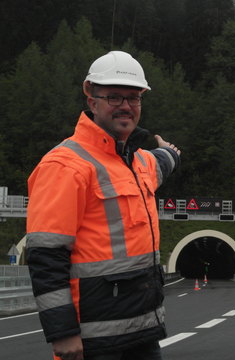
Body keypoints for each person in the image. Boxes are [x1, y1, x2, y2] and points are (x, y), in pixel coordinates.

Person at [26, 50, 181, 360]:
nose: (125, 106)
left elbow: (161, 163)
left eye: (133, 98)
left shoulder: (137, 161)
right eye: (114, 97)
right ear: (91, 100)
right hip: (94, 340)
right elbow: (46, 256)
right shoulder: (65, 165)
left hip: (143, 332)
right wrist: (63, 333)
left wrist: (170, 153)